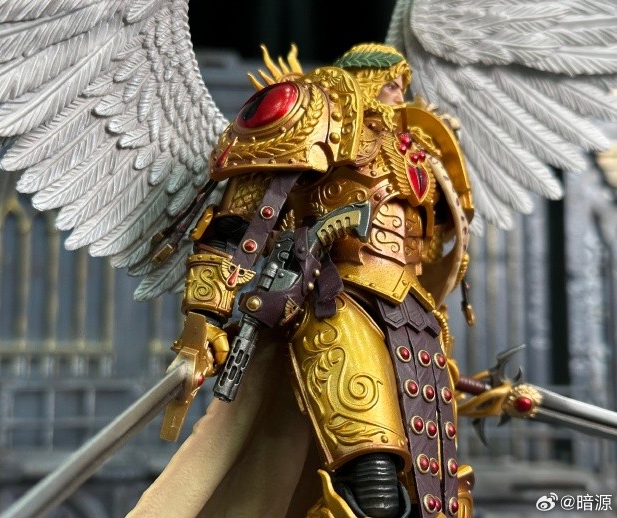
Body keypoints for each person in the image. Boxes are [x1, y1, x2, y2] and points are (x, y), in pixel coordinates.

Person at [129, 42, 475, 518]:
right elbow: (236, 223)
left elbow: (438, 242)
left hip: (417, 318)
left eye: (403, 86)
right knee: (374, 486)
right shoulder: (318, 114)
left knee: (434, 492)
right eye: (391, 84)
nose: (400, 95)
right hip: (338, 302)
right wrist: (203, 322)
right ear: (365, 80)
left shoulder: (416, 149)